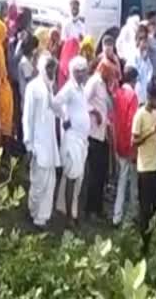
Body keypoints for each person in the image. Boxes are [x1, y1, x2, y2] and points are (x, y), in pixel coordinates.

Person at [22, 55, 61, 230]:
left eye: (54, 68)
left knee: (50, 181)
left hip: (50, 142)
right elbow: (27, 117)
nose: (52, 72)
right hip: (37, 142)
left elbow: (55, 108)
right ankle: (33, 211)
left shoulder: (49, 87)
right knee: (38, 182)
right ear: (41, 68)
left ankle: (42, 218)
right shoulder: (33, 87)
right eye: (49, 68)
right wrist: (28, 144)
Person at [52, 56, 91, 225]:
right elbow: (54, 103)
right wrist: (64, 117)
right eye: (81, 71)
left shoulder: (80, 89)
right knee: (72, 176)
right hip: (72, 138)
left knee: (78, 177)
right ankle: (69, 217)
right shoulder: (69, 88)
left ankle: (71, 212)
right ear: (75, 72)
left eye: (84, 70)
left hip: (82, 139)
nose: (84, 74)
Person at [132, 80, 156, 251]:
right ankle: (144, 242)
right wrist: (150, 132)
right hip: (144, 168)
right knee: (145, 208)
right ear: (149, 97)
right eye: (155, 99)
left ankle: (152, 237)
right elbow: (134, 141)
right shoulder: (140, 115)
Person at [84, 58, 117, 221]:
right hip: (94, 134)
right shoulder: (94, 82)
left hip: (103, 132)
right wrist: (94, 112)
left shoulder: (103, 84)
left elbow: (106, 106)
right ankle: (91, 209)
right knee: (95, 173)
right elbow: (83, 101)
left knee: (103, 172)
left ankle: (98, 207)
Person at [112, 65, 140, 226]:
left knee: (121, 180)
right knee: (132, 181)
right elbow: (132, 123)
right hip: (129, 145)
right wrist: (133, 148)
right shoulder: (132, 96)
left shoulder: (118, 93)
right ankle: (130, 217)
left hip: (118, 142)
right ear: (134, 80)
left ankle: (116, 215)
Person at [130, 28, 153, 105]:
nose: (144, 42)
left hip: (145, 89)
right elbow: (134, 74)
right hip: (137, 90)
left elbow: (150, 70)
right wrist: (143, 61)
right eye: (141, 39)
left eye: (145, 39)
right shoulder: (133, 55)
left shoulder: (146, 56)